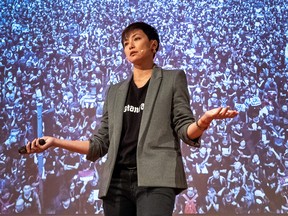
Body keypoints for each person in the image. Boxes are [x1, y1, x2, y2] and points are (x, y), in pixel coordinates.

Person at [24, 22, 238, 216]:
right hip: (115, 183)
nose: (130, 45)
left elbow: (184, 129)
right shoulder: (115, 92)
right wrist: (55, 142)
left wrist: (203, 122)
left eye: (136, 38)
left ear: (153, 45)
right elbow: (99, 145)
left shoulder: (173, 79)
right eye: (126, 43)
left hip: (156, 180)